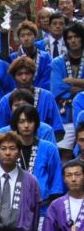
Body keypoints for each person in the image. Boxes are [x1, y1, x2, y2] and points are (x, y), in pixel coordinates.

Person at [0, 56, 63, 133]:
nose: (24, 78)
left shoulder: (47, 97)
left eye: (27, 73)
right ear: (13, 77)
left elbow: (57, 129)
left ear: (33, 75)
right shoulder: (5, 100)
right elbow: (0, 132)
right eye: (19, 74)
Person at [50, 22, 84, 154]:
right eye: (69, 38)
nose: (73, 40)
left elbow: (65, 84)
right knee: (64, 153)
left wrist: (71, 81)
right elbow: (57, 88)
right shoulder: (57, 62)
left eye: (76, 36)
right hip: (65, 113)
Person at [9, 21, 51, 90]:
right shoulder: (12, 58)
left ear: (35, 37)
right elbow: (10, 82)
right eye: (22, 36)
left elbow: (47, 80)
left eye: (29, 35)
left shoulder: (45, 57)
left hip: (40, 95)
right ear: (19, 39)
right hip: (18, 96)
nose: (26, 39)